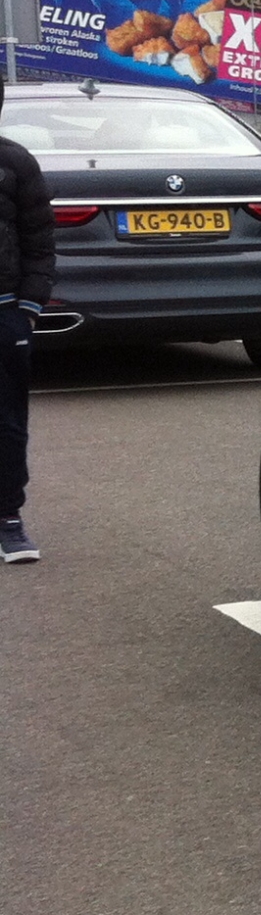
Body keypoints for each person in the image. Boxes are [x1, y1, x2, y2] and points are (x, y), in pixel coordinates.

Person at [0, 88, 53, 564]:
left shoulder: (16, 163)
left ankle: (9, 520)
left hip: (5, 312)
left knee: (9, 424)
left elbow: (40, 242)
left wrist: (29, 306)